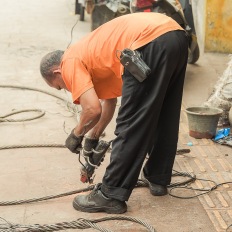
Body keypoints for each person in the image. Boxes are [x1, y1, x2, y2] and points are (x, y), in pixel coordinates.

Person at [40, 12, 188, 214]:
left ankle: (111, 195)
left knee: (131, 125)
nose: (67, 90)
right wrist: (93, 136)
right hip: (174, 36)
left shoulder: (69, 61)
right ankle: (158, 178)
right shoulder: (91, 55)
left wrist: (76, 134)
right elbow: (107, 103)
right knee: (163, 114)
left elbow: (92, 109)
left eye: (60, 87)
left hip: (148, 43)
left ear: (58, 72)